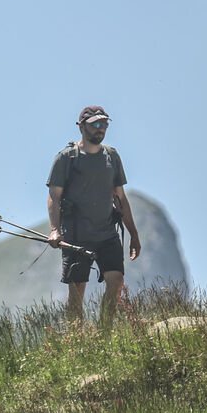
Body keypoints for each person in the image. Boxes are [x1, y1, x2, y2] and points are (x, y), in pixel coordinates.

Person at [46, 105, 141, 327]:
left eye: (105, 124)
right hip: (75, 235)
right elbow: (53, 198)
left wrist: (134, 235)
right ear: (81, 126)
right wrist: (55, 230)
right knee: (77, 289)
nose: (101, 128)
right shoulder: (66, 157)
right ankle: (78, 339)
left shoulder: (112, 156)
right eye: (95, 124)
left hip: (107, 233)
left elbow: (120, 198)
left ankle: (104, 333)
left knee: (116, 282)